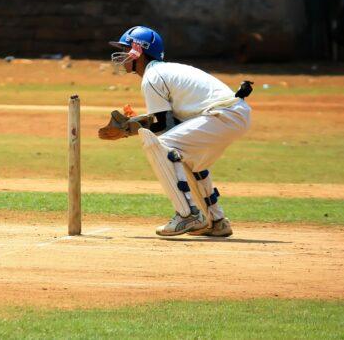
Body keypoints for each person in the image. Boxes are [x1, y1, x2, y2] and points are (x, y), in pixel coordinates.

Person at [99, 26, 252, 237]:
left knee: (161, 145)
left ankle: (187, 215)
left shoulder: (153, 76)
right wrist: (129, 126)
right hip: (231, 114)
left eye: (126, 49)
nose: (123, 55)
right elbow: (172, 122)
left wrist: (126, 129)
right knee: (189, 158)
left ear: (138, 51)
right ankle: (216, 220)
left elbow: (162, 127)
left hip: (222, 115)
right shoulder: (164, 71)